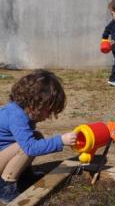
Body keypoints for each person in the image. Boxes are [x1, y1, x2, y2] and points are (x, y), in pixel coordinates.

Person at [0, 70, 77, 203]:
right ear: (35, 103)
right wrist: (61, 140)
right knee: (25, 147)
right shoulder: (17, 116)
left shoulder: (21, 110)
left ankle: (23, 176)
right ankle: (5, 186)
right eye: (48, 111)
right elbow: (30, 148)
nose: (48, 116)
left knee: (36, 136)